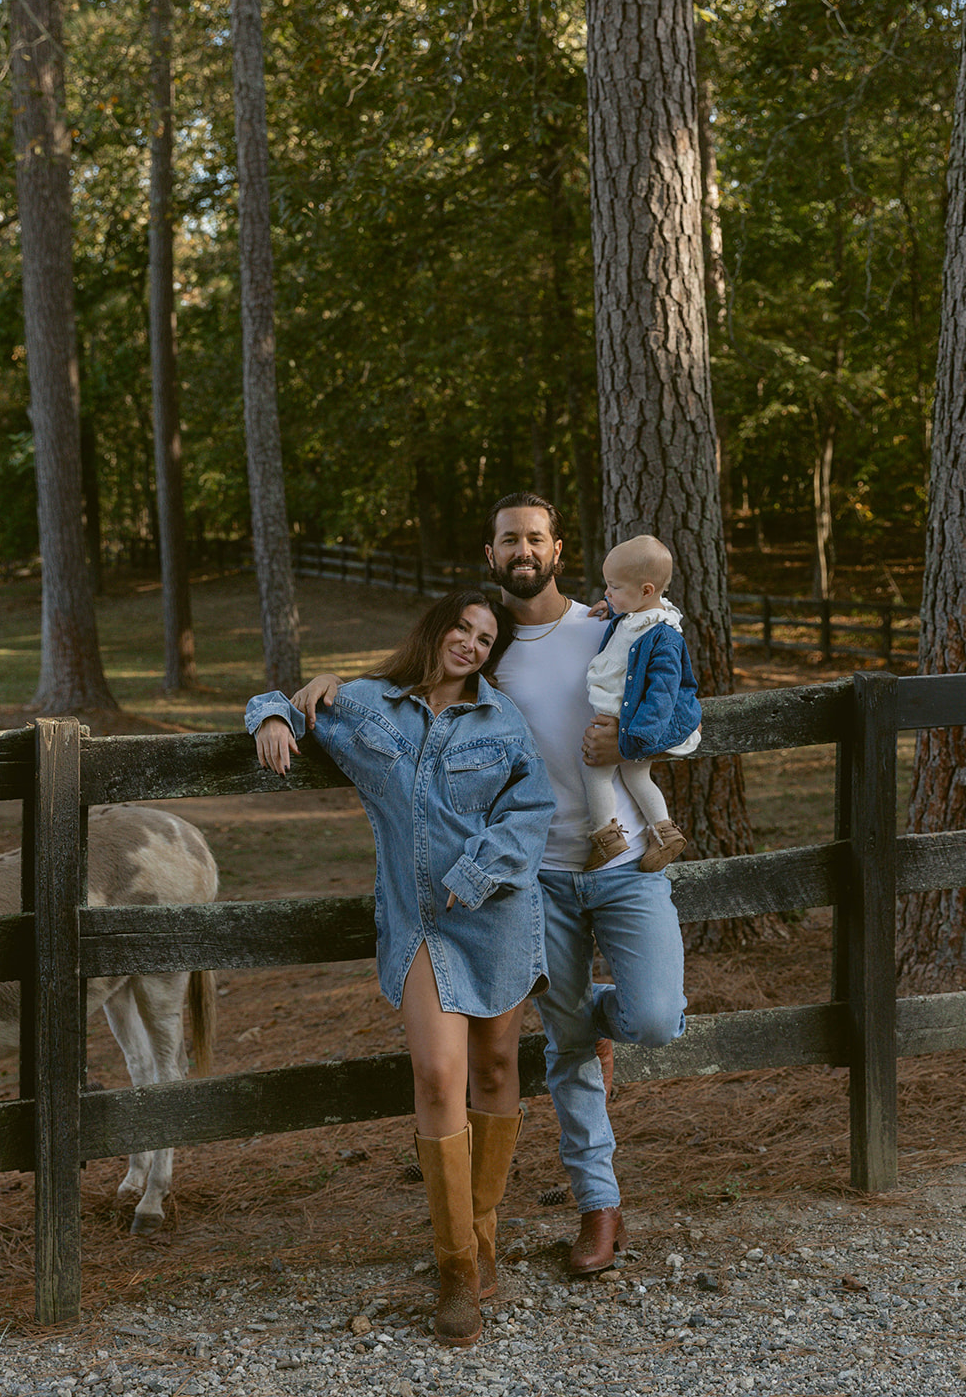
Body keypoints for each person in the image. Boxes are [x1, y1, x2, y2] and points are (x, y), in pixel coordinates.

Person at [293, 496, 688, 1278]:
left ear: (555, 546)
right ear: (491, 550)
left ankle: (586, 1020)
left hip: (618, 862)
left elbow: (679, 709)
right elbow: (407, 694)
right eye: (509, 538)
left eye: (535, 538)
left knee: (653, 1017)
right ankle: (593, 1211)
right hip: (535, 878)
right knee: (557, 1054)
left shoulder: (607, 625)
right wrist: (315, 686)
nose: (523, 549)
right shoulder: (491, 649)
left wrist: (637, 734)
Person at [247, 590, 555, 1347]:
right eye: (465, 628)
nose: (473, 645)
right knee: (438, 1075)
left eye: (487, 639)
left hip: (498, 910)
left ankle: (483, 1241)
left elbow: (533, 810)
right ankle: (455, 1269)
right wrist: (277, 717)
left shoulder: (502, 720)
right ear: (437, 627)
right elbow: (273, 697)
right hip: (420, 922)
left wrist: (482, 872)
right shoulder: (367, 707)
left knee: (494, 1065)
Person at [582, 534, 702, 872]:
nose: (606, 592)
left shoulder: (663, 635)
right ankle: (664, 832)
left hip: (628, 726)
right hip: (626, 723)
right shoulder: (635, 613)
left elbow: (663, 691)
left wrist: (637, 739)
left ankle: (607, 838)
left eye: (613, 587)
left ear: (647, 591)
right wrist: (612, 608)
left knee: (594, 771)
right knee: (637, 779)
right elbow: (627, 620)